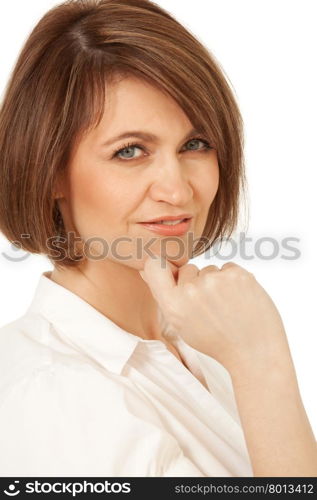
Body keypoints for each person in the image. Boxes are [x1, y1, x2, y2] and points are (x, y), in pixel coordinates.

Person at [0, 0, 316, 477]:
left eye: (195, 144)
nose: (177, 188)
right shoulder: (53, 393)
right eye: (130, 151)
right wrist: (261, 363)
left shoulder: (201, 346)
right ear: (50, 174)